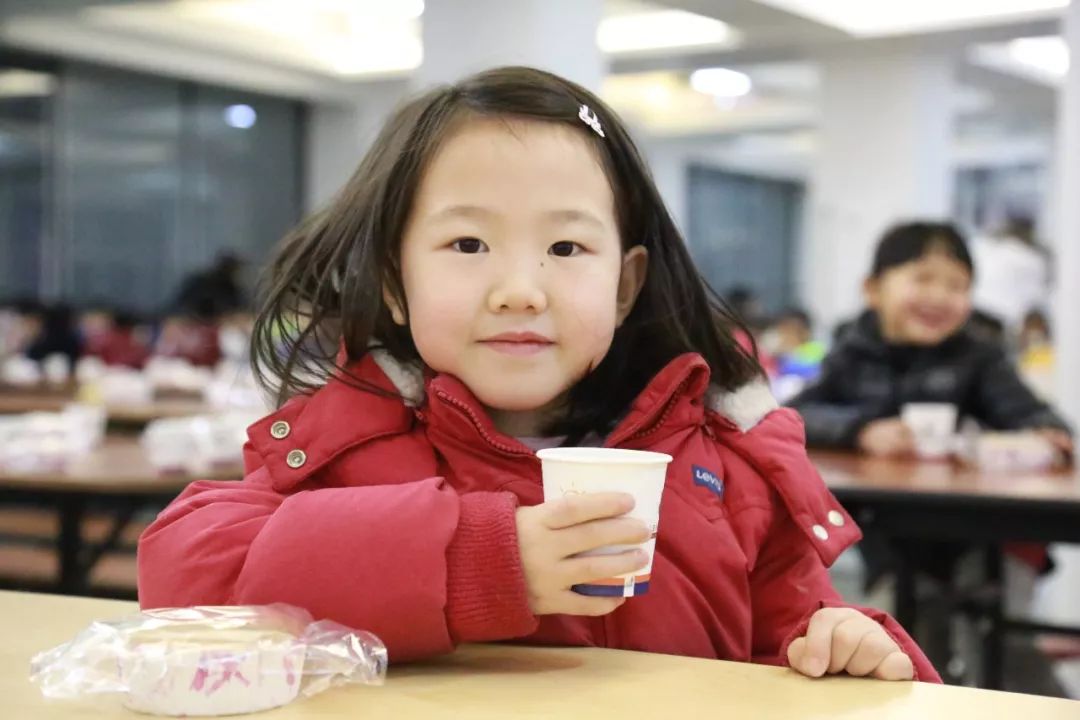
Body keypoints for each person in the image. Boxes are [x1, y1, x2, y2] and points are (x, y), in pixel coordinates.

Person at [138, 67, 937, 682]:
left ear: (624, 285)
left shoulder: (722, 468)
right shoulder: (349, 447)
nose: (520, 289)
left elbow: (796, 634)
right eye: (467, 245)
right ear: (393, 283)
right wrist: (478, 560)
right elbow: (184, 570)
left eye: (565, 248)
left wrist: (847, 647)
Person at [789, 221, 1072, 458]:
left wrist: (1047, 432)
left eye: (957, 286)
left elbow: (1033, 415)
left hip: (950, 497)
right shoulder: (852, 350)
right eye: (923, 279)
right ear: (873, 289)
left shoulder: (978, 355)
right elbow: (794, 416)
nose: (939, 297)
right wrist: (860, 431)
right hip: (861, 497)